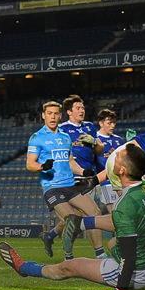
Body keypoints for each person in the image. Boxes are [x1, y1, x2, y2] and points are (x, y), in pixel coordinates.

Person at [0, 144, 145, 290]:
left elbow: (129, 257)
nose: (113, 156)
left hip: (139, 272)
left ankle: (24, 268)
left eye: (117, 156)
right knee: (113, 242)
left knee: (70, 267)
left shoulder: (124, 204)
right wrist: (83, 223)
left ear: (121, 170)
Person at [27, 101, 104, 260]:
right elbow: (30, 164)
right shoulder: (37, 138)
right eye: (49, 113)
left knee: (95, 212)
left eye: (56, 113)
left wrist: (84, 171)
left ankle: (100, 255)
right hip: (52, 187)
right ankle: (68, 257)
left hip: (70, 185)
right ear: (43, 115)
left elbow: (70, 162)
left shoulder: (65, 137)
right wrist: (42, 166)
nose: (53, 117)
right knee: (72, 219)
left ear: (60, 116)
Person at [95, 109, 125, 213]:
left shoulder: (119, 140)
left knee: (124, 212)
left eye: (114, 123)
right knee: (115, 213)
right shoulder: (95, 139)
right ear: (101, 123)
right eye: (109, 123)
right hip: (105, 182)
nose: (112, 126)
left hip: (121, 181)